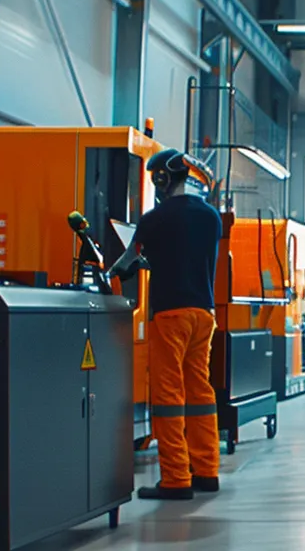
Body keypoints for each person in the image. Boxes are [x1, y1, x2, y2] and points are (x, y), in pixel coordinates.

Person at [113, 149, 225, 499]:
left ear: (161, 179)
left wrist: (118, 269)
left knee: (169, 396)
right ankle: (207, 470)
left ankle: (176, 479)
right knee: (200, 393)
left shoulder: (153, 220)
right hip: (203, 315)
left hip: (170, 315)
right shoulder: (211, 217)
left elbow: (126, 261)